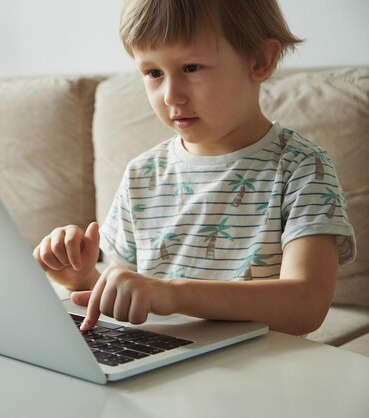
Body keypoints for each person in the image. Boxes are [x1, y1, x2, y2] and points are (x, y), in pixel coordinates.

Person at [33, 0, 356, 335]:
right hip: (159, 362)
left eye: (191, 68)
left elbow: (306, 305)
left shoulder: (303, 168)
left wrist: (173, 295)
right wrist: (83, 278)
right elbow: (130, 295)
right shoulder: (142, 174)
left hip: (263, 368)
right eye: (154, 73)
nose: (171, 96)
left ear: (260, 61)